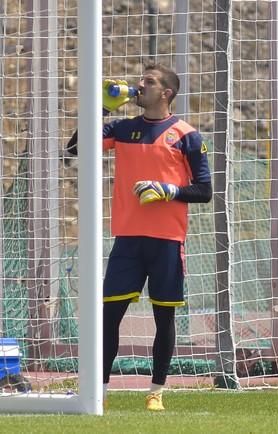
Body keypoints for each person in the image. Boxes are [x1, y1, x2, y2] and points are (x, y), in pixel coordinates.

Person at [66, 64, 212, 411]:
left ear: (166, 93)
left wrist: (167, 190)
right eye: (141, 80)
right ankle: (98, 391)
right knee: (109, 314)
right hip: (128, 239)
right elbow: (74, 149)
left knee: (164, 317)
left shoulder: (186, 135)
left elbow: (204, 191)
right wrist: (100, 109)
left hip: (166, 240)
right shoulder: (123, 128)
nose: (139, 85)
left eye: (149, 82)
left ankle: (156, 392)